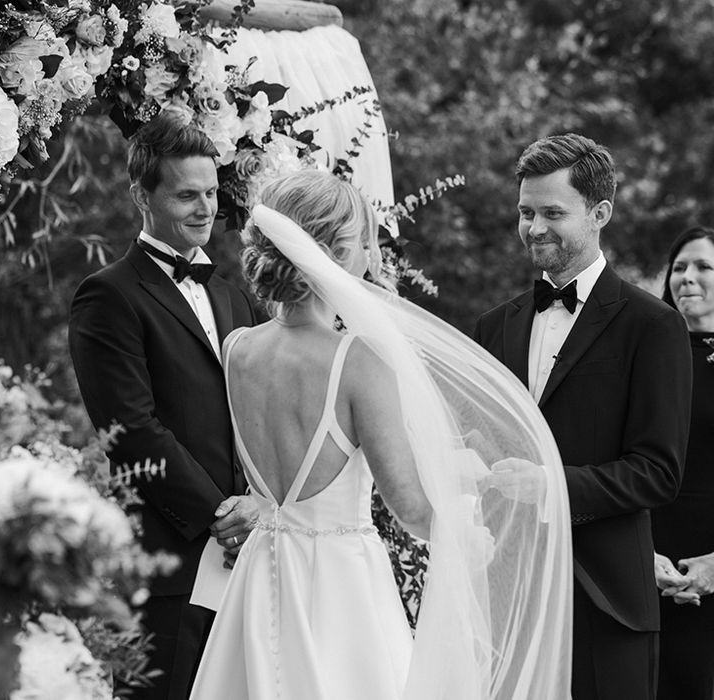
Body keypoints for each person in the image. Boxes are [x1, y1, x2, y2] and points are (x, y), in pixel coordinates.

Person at [189, 169, 573, 699]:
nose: (373, 254)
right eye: (367, 241)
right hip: (340, 590)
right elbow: (411, 508)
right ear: (340, 251)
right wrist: (465, 514)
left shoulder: (238, 349)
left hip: (259, 579)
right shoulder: (358, 360)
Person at [474, 132, 693, 700]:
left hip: (606, 599)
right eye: (526, 212)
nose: (534, 227)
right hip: (508, 600)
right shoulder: (493, 328)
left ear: (600, 213)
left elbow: (657, 471)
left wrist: (548, 486)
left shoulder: (654, 327)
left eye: (552, 212)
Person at [68, 111, 257, 699]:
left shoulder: (234, 297)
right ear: (141, 196)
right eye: (185, 196)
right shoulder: (108, 296)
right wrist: (218, 516)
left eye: (210, 194)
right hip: (169, 558)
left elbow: (255, 415)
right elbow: (130, 428)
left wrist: (257, 505)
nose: (204, 209)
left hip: (251, 550)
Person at [652, 225, 714, 700]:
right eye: (679, 267)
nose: (687, 277)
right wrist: (639, 559)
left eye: (704, 267)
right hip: (649, 564)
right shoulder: (646, 353)